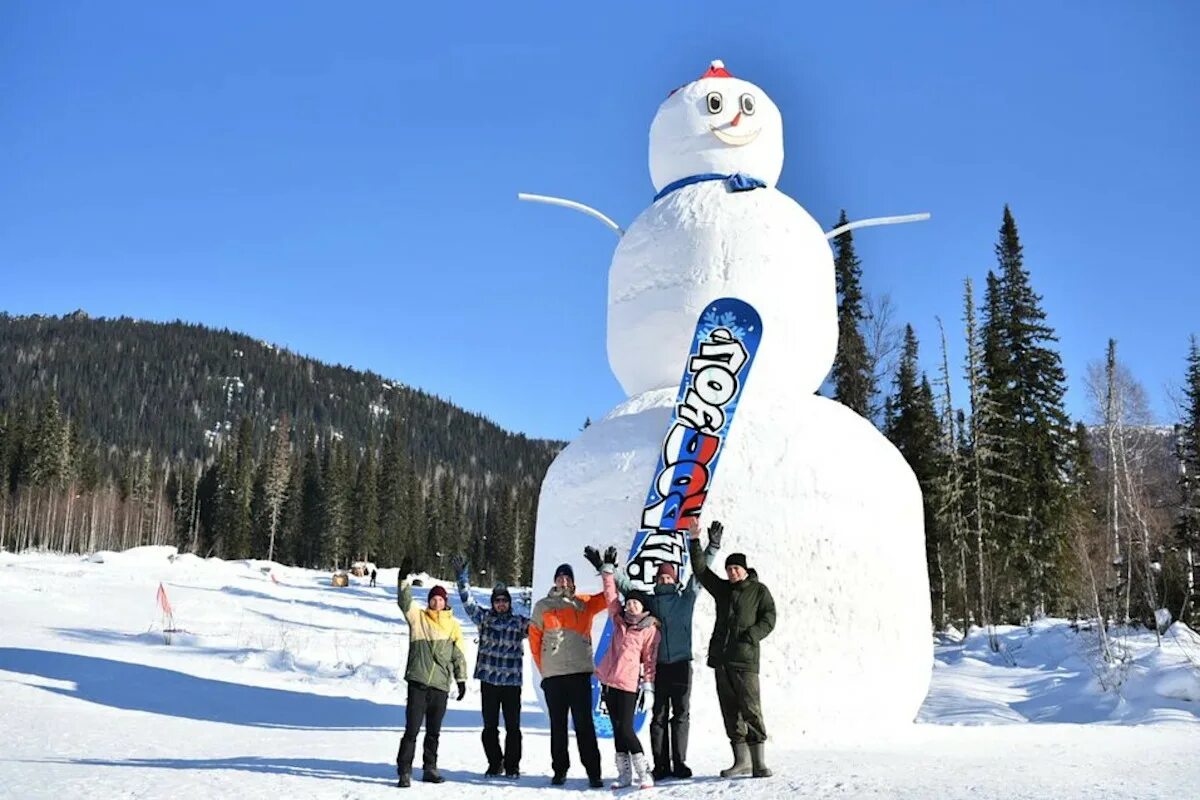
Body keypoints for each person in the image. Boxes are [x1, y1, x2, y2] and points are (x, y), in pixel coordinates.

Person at [597, 518, 720, 781]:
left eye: (668, 575)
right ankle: (661, 764)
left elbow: (700, 573)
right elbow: (627, 587)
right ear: (656, 578)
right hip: (659, 666)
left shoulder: (685, 597)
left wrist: (712, 547)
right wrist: (607, 569)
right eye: (661, 575)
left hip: (680, 663)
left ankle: (680, 763)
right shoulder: (649, 601)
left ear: (674, 579)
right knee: (659, 716)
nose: (664, 578)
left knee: (682, 715)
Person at [688, 521, 776, 779]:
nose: (732, 573)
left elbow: (769, 617)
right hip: (722, 660)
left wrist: (752, 636)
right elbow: (701, 571)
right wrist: (695, 540)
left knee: (751, 708)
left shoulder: (759, 591)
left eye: (736, 568)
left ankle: (758, 761)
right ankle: (742, 761)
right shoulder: (723, 590)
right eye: (728, 569)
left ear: (745, 569)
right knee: (730, 710)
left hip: (745, 660)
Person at [586, 545, 661, 789]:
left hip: (629, 684)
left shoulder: (649, 629)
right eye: (628, 603)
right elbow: (610, 595)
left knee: (627, 729)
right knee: (617, 730)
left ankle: (644, 771)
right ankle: (624, 774)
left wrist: (648, 686)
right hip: (608, 681)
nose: (630, 606)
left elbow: (649, 659)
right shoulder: (618, 619)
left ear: (643, 608)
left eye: (635, 604)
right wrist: (606, 571)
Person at [529, 560, 608, 788]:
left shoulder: (584, 604)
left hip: (579, 674)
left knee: (584, 725)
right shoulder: (542, 606)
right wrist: (544, 670)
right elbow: (535, 641)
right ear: (555, 580)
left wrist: (606, 570)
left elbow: (608, 598)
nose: (564, 581)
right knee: (558, 726)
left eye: (567, 577)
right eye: (560, 577)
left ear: (573, 581)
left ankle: (594, 772)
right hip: (554, 677)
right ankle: (560, 770)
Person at [453, 555, 530, 778]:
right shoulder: (484, 618)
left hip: (512, 683)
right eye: (497, 601)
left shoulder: (519, 622)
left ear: (509, 603)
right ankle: (495, 763)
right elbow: (468, 602)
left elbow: (541, 629)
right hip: (489, 682)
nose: (501, 604)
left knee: (513, 728)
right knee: (489, 728)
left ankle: (512, 765)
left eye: (504, 601)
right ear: (493, 603)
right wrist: (462, 578)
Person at [395, 573, 468, 787]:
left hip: (440, 686)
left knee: (434, 732)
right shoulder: (418, 618)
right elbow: (404, 601)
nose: (437, 603)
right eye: (433, 599)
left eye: (440, 599)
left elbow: (458, 655)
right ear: (429, 601)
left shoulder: (453, 626)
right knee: (412, 730)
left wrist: (461, 680)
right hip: (418, 683)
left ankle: (430, 768)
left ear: (446, 602)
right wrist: (402, 580)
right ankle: (404, 771)